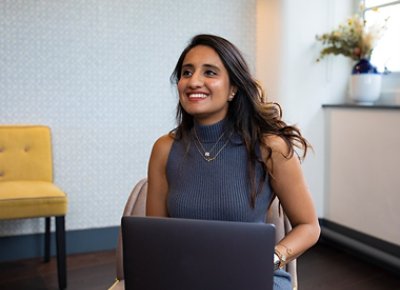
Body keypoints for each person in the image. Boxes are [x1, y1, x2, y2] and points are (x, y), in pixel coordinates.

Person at [146, 34, 320, 290]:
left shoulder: (270, 147)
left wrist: (272, 258)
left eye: (209, 73)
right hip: (187, 276)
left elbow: (309, 226)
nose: (194, 82)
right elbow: (154, 236)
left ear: (233, 89)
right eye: (186, 72)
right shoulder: (164, 148)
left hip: (252, 277)